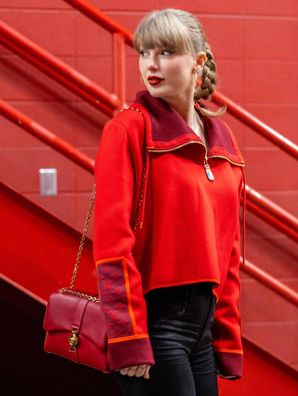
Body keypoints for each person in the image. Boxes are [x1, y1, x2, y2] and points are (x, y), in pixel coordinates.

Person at [93, 8, 246, 396]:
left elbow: (230, 248)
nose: (151, 64)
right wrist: (128, 335)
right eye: (144, 53)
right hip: (155, 322)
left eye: (165, 52)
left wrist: (226, 334)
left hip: (202, 327)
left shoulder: (221, 138)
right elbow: (112, 243)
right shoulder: (128, 129)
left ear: (197, 62)